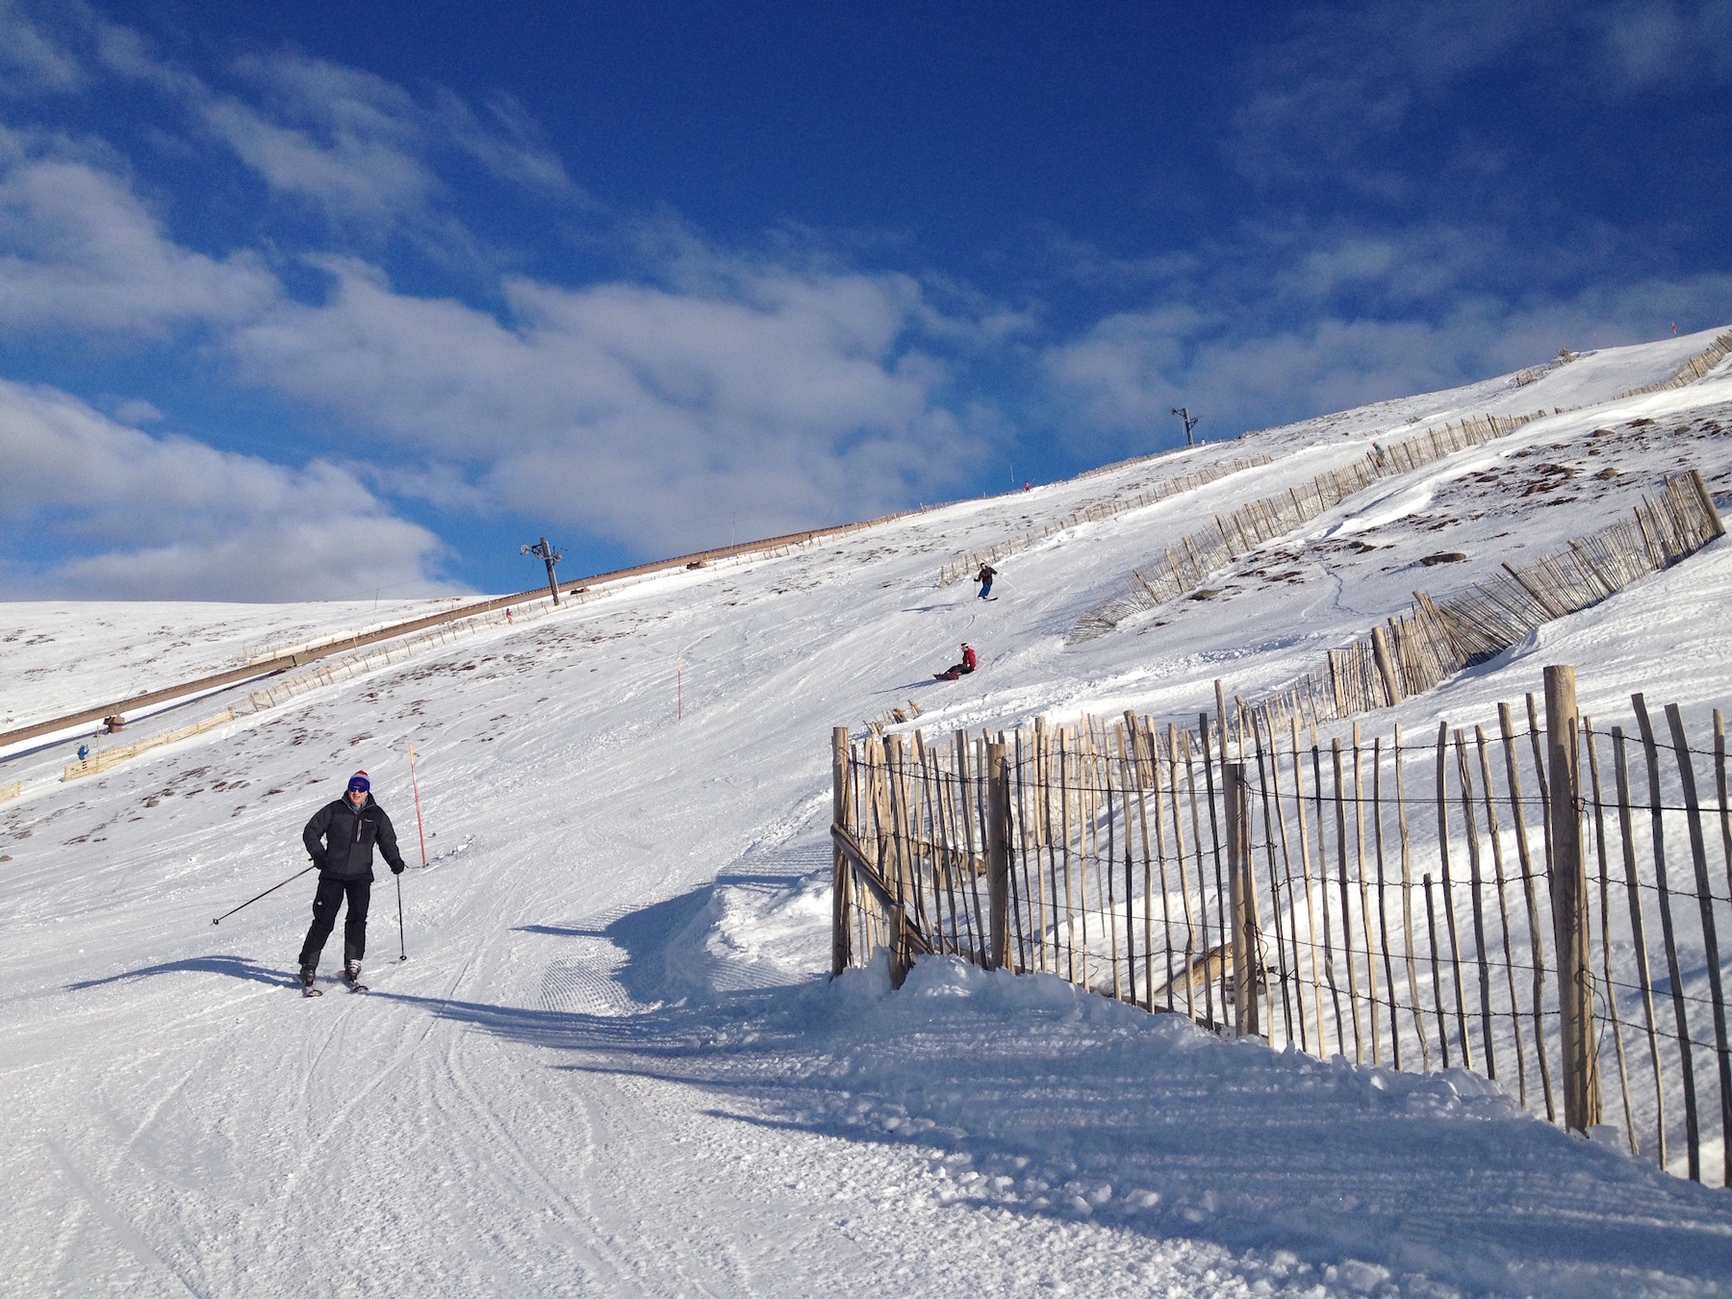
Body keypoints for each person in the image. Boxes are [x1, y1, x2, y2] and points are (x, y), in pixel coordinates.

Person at [298, 770, 404, 989]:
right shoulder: (334, 809)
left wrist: (394, 860)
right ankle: (308, 965)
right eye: (353, 788)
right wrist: (318, 853)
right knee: (324, 920)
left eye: (361, 789)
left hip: (360, 876)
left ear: (367, 791)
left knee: (357, 919)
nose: (356, 792)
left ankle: (353, 962)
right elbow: (311, 831)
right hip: (332, 874)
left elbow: (387, 840)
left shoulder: (376, 815)